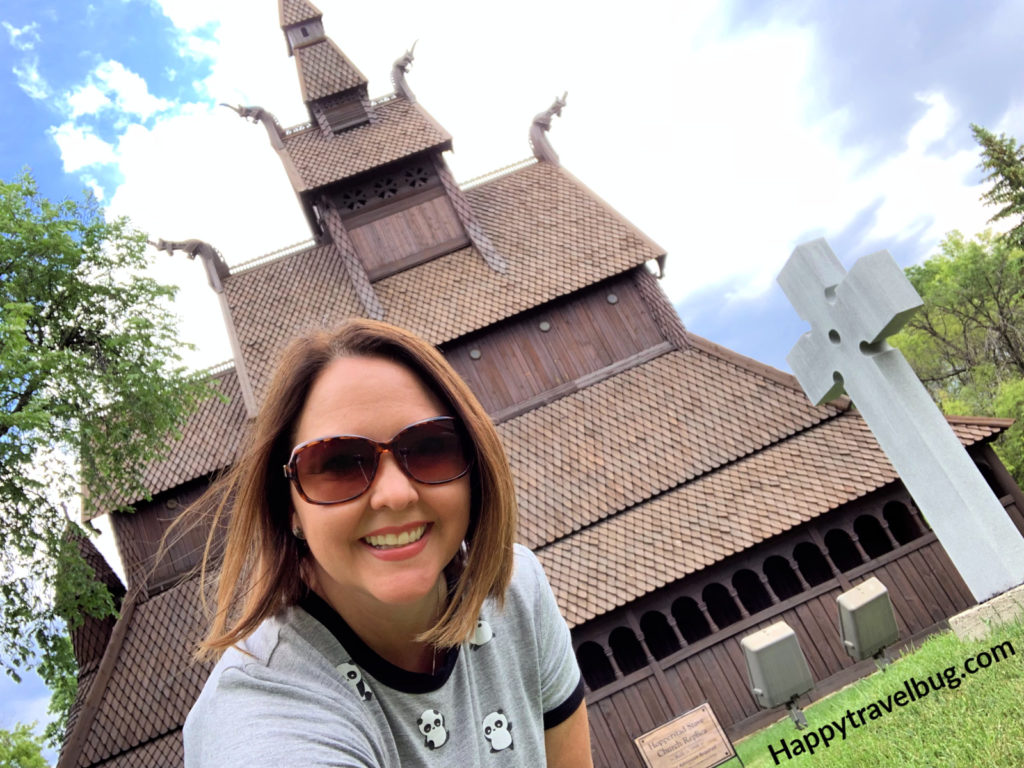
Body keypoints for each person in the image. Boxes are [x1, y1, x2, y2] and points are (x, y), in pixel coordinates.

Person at [183, 319, 593, 767]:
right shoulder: (264, 713)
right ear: (289, 507)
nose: (396, 495)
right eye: (338, 462)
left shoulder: (516, 591)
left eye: (430, 446)